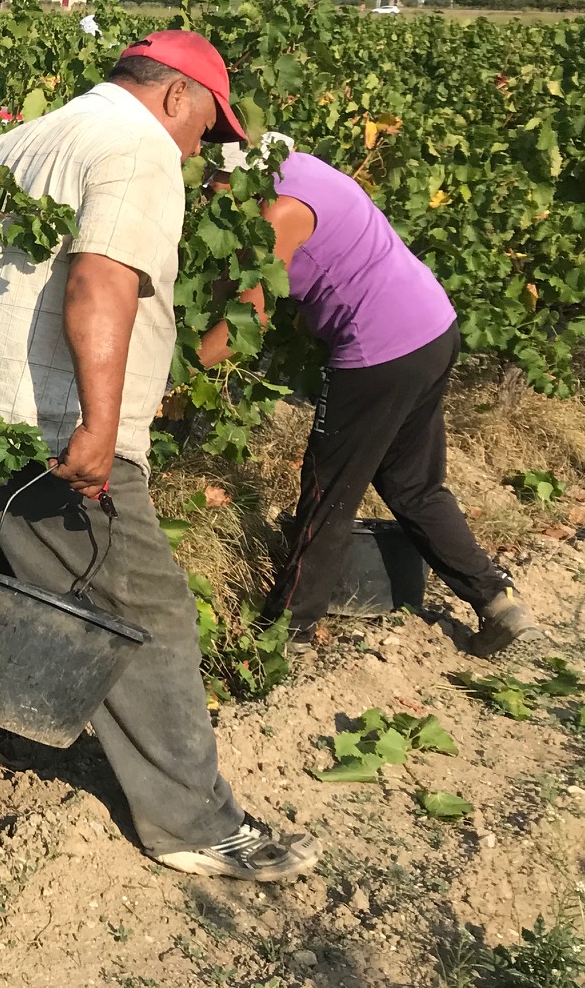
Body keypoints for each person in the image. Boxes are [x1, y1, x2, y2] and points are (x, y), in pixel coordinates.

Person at [0, 31, 321, 883]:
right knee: (147, 616)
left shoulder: (25, 137)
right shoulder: (139, 151)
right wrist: (95, 423)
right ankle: (193, 823)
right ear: (174, 98)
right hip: (49, 423)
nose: (204, 150)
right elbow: (100, 282)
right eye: (208, 128)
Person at [198, 136, 547, 659]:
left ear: (244, 179)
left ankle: (284, 636)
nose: (207, 192)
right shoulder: (302, 169)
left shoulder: (278, 214)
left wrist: (172, 367)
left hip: (378, 350)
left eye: (214, 182)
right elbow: (240, 274)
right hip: (431, 327)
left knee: (328, 491)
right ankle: (498, 602)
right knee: (413, 484)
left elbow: (250, 319)